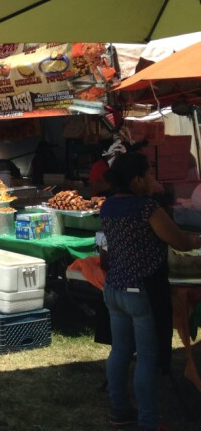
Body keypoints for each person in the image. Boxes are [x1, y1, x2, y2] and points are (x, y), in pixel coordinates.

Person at [100, 152, 201, 431]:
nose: (153, 179)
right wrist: (195, 238)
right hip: (141, 290)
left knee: (120, 351)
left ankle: (119, 411)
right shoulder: (147, 209)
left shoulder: (107, 206)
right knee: (147, 358)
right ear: (137, 179)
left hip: (114, 288)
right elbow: (179, 241)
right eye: (149, 174)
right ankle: (148, 421)